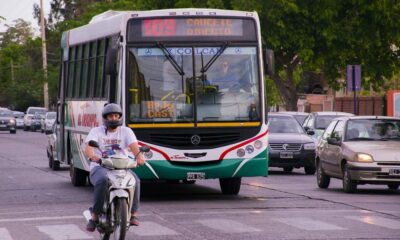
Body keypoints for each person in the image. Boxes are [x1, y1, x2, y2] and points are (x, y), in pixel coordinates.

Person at [85, 103, 145, 232]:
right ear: (105, 118)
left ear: (120, 117)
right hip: (100, 166)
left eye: (116, 116)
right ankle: (95, 216)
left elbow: (134, 146)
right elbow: (89, 147)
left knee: (136, 181)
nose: (114, 118)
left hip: (122, 166)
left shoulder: (126, 131)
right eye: (111, 116)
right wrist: (92, 156)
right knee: (102, 181)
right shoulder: (96, 131)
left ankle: (133, 214)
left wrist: (139, 157)